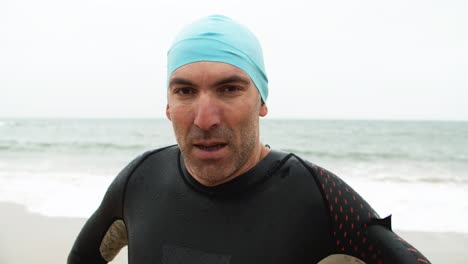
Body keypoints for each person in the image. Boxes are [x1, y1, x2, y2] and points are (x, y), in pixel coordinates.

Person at [68, 15, 431, 264]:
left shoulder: (320, 198)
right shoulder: (140, 180)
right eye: (185, 91)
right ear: (167, 106)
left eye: (229, 89)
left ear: (262, 102)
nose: (204, 118)